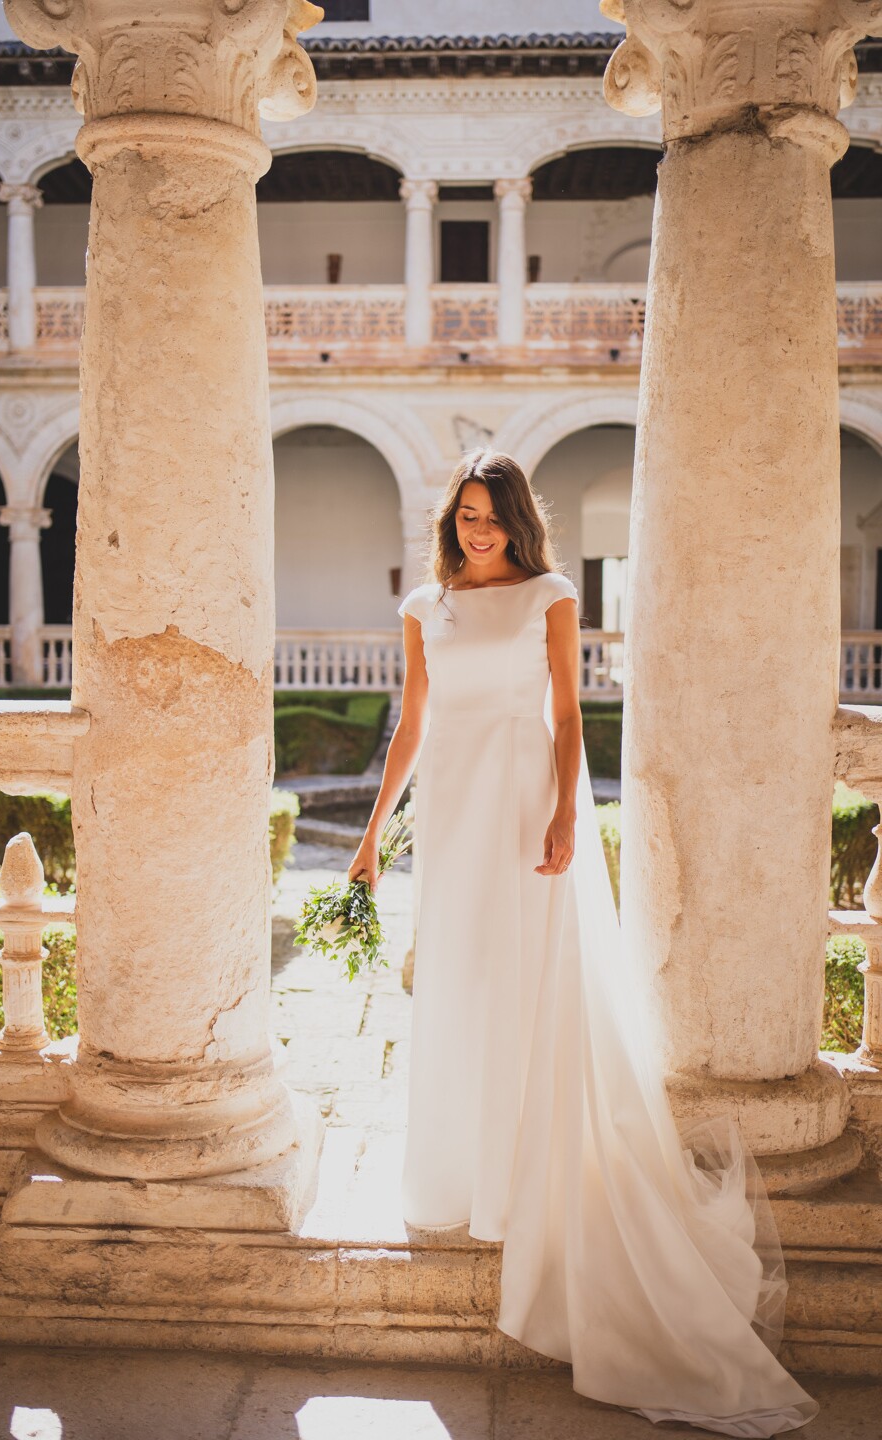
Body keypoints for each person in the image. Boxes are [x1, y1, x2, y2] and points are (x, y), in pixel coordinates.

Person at [349, 449, 818, 1437]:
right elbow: (412, 725)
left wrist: (568, 812)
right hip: (453, 813)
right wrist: (372, 834)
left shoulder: (551, 596)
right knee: (463, 982)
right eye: (467, 515)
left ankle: (527, 1175)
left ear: (518, 520)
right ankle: (465, 1172)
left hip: (525, 803)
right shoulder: (426, 608)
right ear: (451, 521)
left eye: (493, 515)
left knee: (529, 983)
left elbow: (567, 714)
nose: (480, 530)